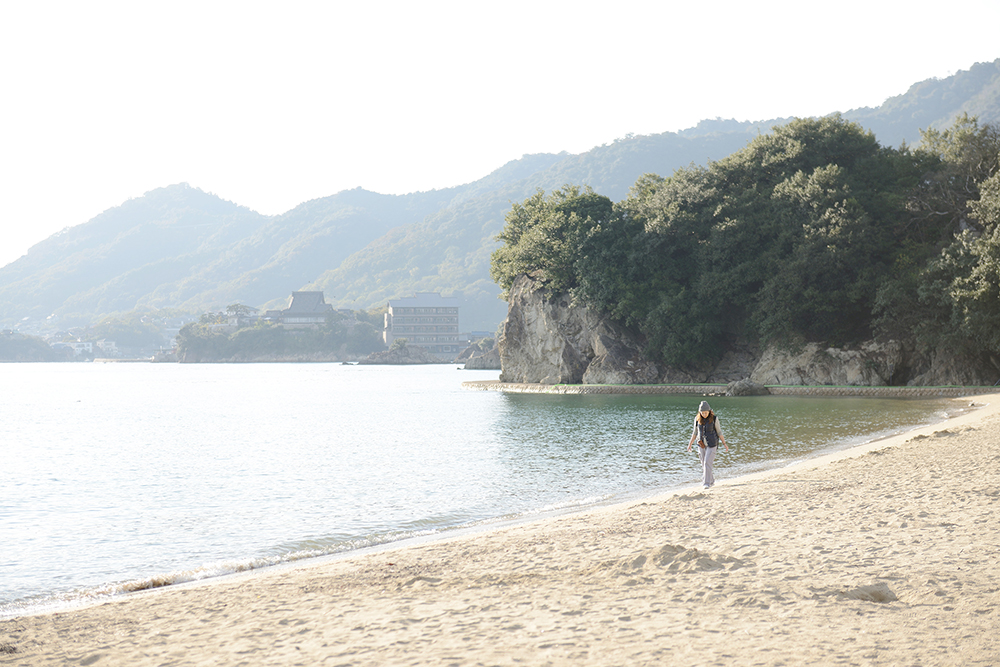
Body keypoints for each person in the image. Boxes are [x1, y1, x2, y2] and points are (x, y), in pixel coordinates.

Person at [687, 400, 729, 488]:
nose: (704, 414)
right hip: (701, 444)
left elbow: (719, 432)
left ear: (709, 411)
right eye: (702, 413)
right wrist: (690, 444)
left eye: (706, 413)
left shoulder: (714, 419)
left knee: (707, 463)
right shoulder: (697, 419)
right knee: (704, 464)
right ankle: (711, 480)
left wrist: (724, 443)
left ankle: (706, 483)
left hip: (712, 444)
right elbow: (694, 433)